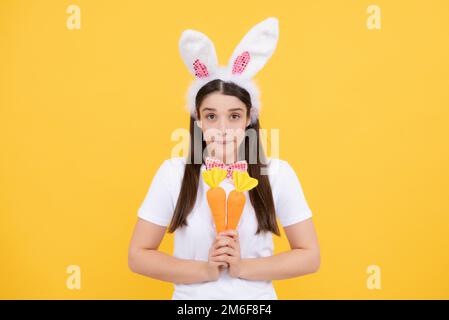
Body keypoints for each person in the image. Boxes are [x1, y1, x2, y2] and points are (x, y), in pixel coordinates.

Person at [128, 17, 320, 299]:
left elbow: (310, 256)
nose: (222, 129)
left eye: (233, 116)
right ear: (198, 121)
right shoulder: (173, 173)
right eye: (211, 116)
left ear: (248, 120)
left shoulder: (277, 174)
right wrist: (206, 270)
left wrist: (242, 267)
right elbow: (138, 255)